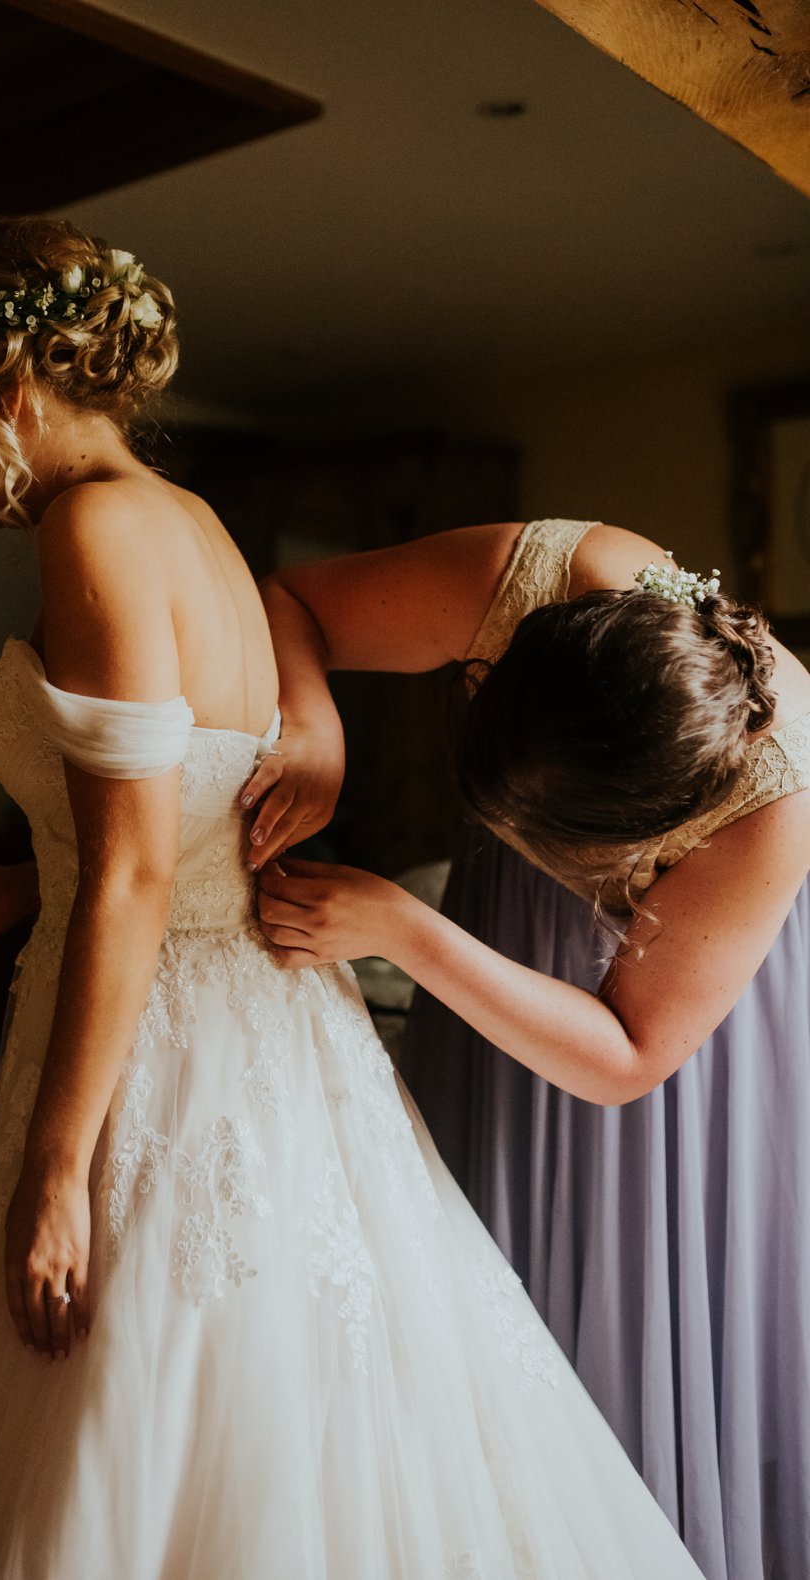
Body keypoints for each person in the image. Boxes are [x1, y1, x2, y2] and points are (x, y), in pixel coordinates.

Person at [0, 217, 701, 1579]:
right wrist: (27, 883)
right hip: (255, 1001)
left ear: (7, 389)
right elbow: (180, 820)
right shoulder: (188, 521)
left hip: (165, 1026)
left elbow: (136, 869)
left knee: (144, 1378)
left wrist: (58, 1171)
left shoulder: (92, 525)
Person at [247, 519, 810, 1579]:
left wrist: (403, 928)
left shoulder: (775, 798)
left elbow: (627, 1054)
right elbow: (291, 600)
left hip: (673, 991)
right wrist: (315, 730)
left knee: (626, 1300)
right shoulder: (533, 577)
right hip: (501, 938)